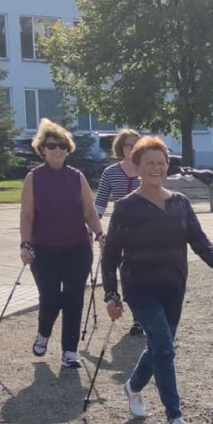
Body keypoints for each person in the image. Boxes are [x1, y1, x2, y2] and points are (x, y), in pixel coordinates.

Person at [100, 136, 213, 424]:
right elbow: (110, 256)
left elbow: (198, 239)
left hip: (173, 286)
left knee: (159, 347)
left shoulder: (179, 203)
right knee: (163, 346)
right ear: (137, 167)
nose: (156, 168)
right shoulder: (126, 207)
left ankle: (133, 386)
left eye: (161, 163)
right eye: (149, 162)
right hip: (139, 288)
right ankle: (174, 417)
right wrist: (111, 294)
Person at [18, 118, 105, 369]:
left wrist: (100, 234)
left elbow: (89, 212)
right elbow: (27, 216)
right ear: (42, 149)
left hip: (77, 249)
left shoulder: (77, 177)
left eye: (62, 146)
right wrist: (25, 244)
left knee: (74, 299)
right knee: (50, 298)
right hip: (44, 250)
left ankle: (69, 351)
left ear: (69, 150)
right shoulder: (34, 178)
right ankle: (43, 333)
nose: (57, 150)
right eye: (52, 145)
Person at [94, 129, 144, 336]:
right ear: (121, 148)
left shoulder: (147, 169)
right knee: (123, 272)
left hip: (144, 230)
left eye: (136, 145)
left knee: (141, 274)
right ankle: (119, 301)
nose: (133, 149)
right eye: (128, 145)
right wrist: (96, 230)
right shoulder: (111, 172)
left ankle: (139, 318)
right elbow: (100, 203)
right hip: (120, 230)